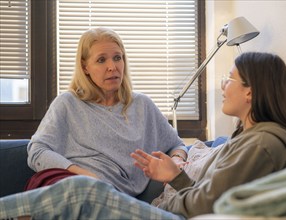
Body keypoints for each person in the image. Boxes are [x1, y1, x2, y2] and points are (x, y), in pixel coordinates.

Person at [0, 52, 286, 219]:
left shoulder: (263, 144)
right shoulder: (246, 138)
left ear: (250, 91)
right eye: (101, 60)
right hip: (168, 207)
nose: (223, 86)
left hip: (168, 212)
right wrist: (175, 177)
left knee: (84, 191)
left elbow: (208, 203)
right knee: (82, 188)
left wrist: (158, 201)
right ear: (85, 67)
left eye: (230, 79)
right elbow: (208, 193)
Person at [25, 27, 187, 196]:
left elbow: (176, 144)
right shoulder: (68, 103)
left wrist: (177, 160)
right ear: (85, 66)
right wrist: (85, 176)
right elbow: (37, 151)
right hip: (77, 187)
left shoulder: (142, 105)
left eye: (117, 58)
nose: (112, 67)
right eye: (101, 60)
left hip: (116, 199)